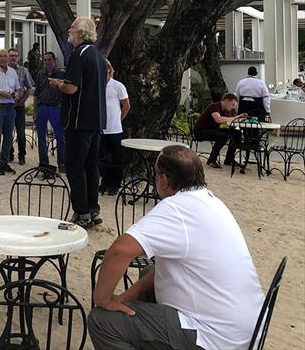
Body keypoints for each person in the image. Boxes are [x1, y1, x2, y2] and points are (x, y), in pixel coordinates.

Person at [89, 146, 264, 350]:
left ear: (164, 180)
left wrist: (103, 299)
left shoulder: (177, 208)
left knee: (101, 321)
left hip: (215, 337)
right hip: (247, 327)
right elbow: (161, 272)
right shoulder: (212, 202)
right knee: (150, 271)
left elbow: (120, 250)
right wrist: (124, 298)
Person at [50, 17, 107, 229]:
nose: (68, 30)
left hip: (79, 119)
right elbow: (107, 77)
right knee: (92, 166)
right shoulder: (99, 57)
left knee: (75, 167)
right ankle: (93, 210)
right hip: (96, 120)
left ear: (81, 33)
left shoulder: (78, 54)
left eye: (72, 27)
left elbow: (72, 88)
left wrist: (58, 84)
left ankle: (81, 213)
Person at [99, 60, 130, 195]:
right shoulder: (97, 85)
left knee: (115, 157)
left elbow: (126, 106)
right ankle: (104, 182)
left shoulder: (117, 86)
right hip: (100, 128)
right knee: (102, 157)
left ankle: (115, 184)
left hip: (114, 128)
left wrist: (119, 119)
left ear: (109, 70)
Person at [192, 92, 245, 169]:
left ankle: (229, 159)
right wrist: (236, 118)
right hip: (200, 132)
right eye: (232, 104)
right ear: (226, 101)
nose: (233, 107)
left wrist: (239, 118)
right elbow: (218, 119)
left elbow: (229, 121)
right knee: (223, 136)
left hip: (213, 130)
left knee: (237, 133)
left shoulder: (226, 110)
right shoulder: (214, 107)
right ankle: (211, 160)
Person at [34, 51, 66, 172]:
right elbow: (36, 93)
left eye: (49, 60)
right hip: (42, 108)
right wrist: (35, 110)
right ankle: (43, 164)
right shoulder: (41, 75)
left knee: (60, 136)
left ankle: (62, 163)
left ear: (54, 60)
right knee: (41, 137)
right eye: (45, 60)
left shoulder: (62, 75)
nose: (47, 62)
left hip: (56, 108)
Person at [8, 48, 34, 165]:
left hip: (19, 105)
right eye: (11, 55)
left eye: (15, 56)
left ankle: (22, 155)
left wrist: (23, 101)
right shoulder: (4, 70)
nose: (13, 58)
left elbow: (29, 87)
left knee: (21, 131)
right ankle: (9, 154)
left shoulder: (23, 70)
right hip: (7, 105)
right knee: (8, 131)